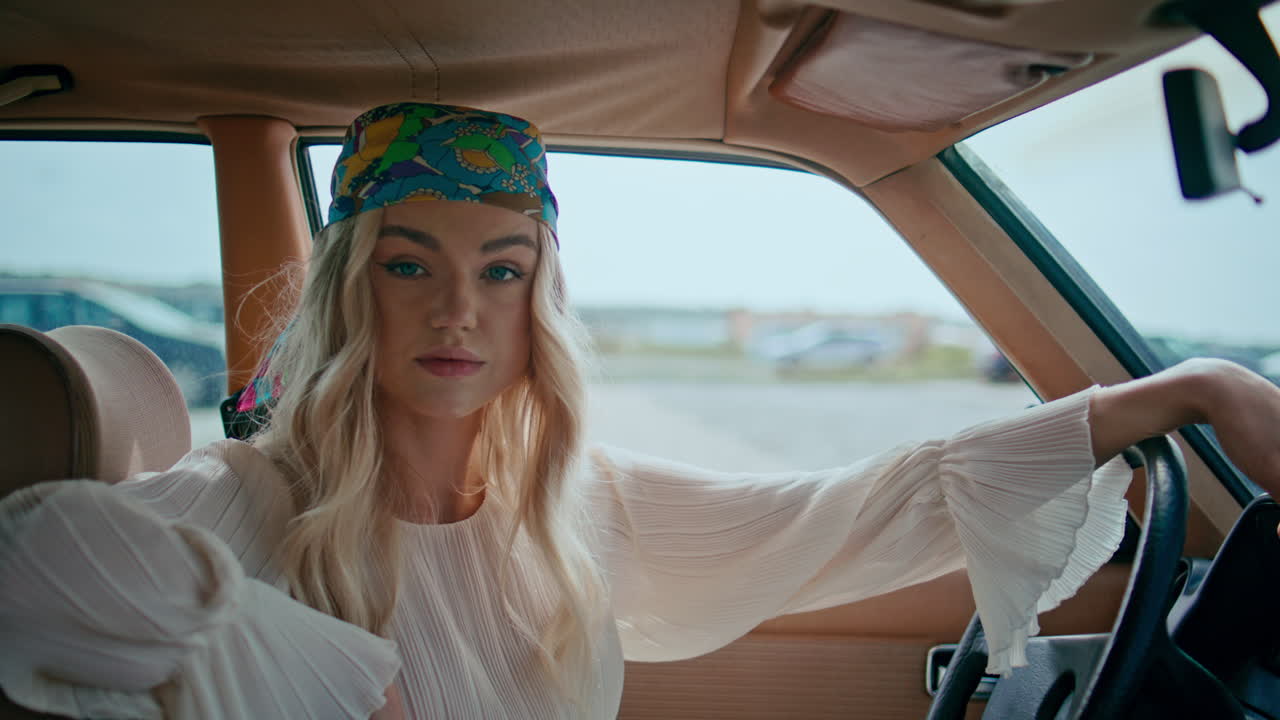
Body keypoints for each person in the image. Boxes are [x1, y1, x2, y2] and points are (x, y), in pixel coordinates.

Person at [2, 102, 1279, 720]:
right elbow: (37, 558)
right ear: (352, 288)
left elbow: (858, 506)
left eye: (502, 270)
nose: (458, 312)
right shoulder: (243, 498)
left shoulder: (580, 510)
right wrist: (342, 683)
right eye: (409, 264)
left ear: (538, 299)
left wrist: (1195, 389)